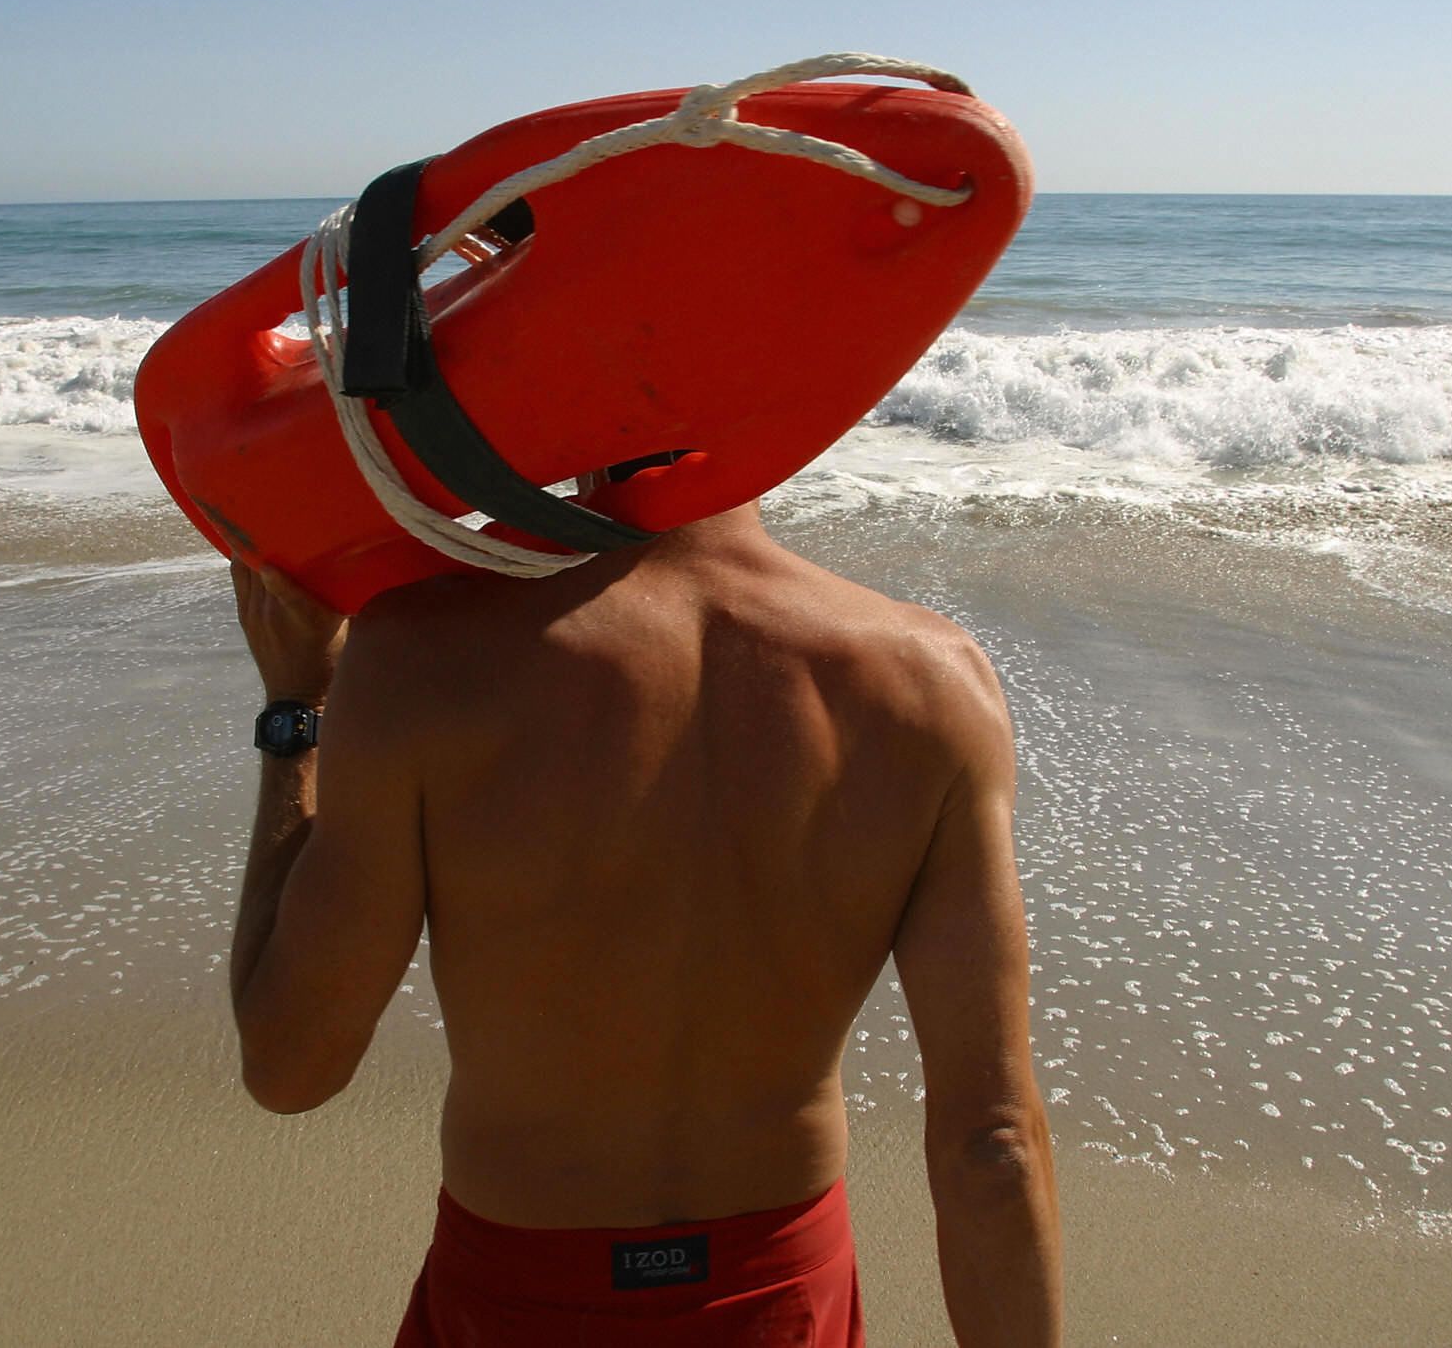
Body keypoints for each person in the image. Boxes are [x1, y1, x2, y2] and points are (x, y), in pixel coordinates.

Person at [226, 492, 1061, 1347]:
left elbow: (291, 1066)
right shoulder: (930, 683)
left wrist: (296, 706)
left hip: (512, 1299)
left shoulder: (420, 658)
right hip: (781, 1299)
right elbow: (993, 1150)